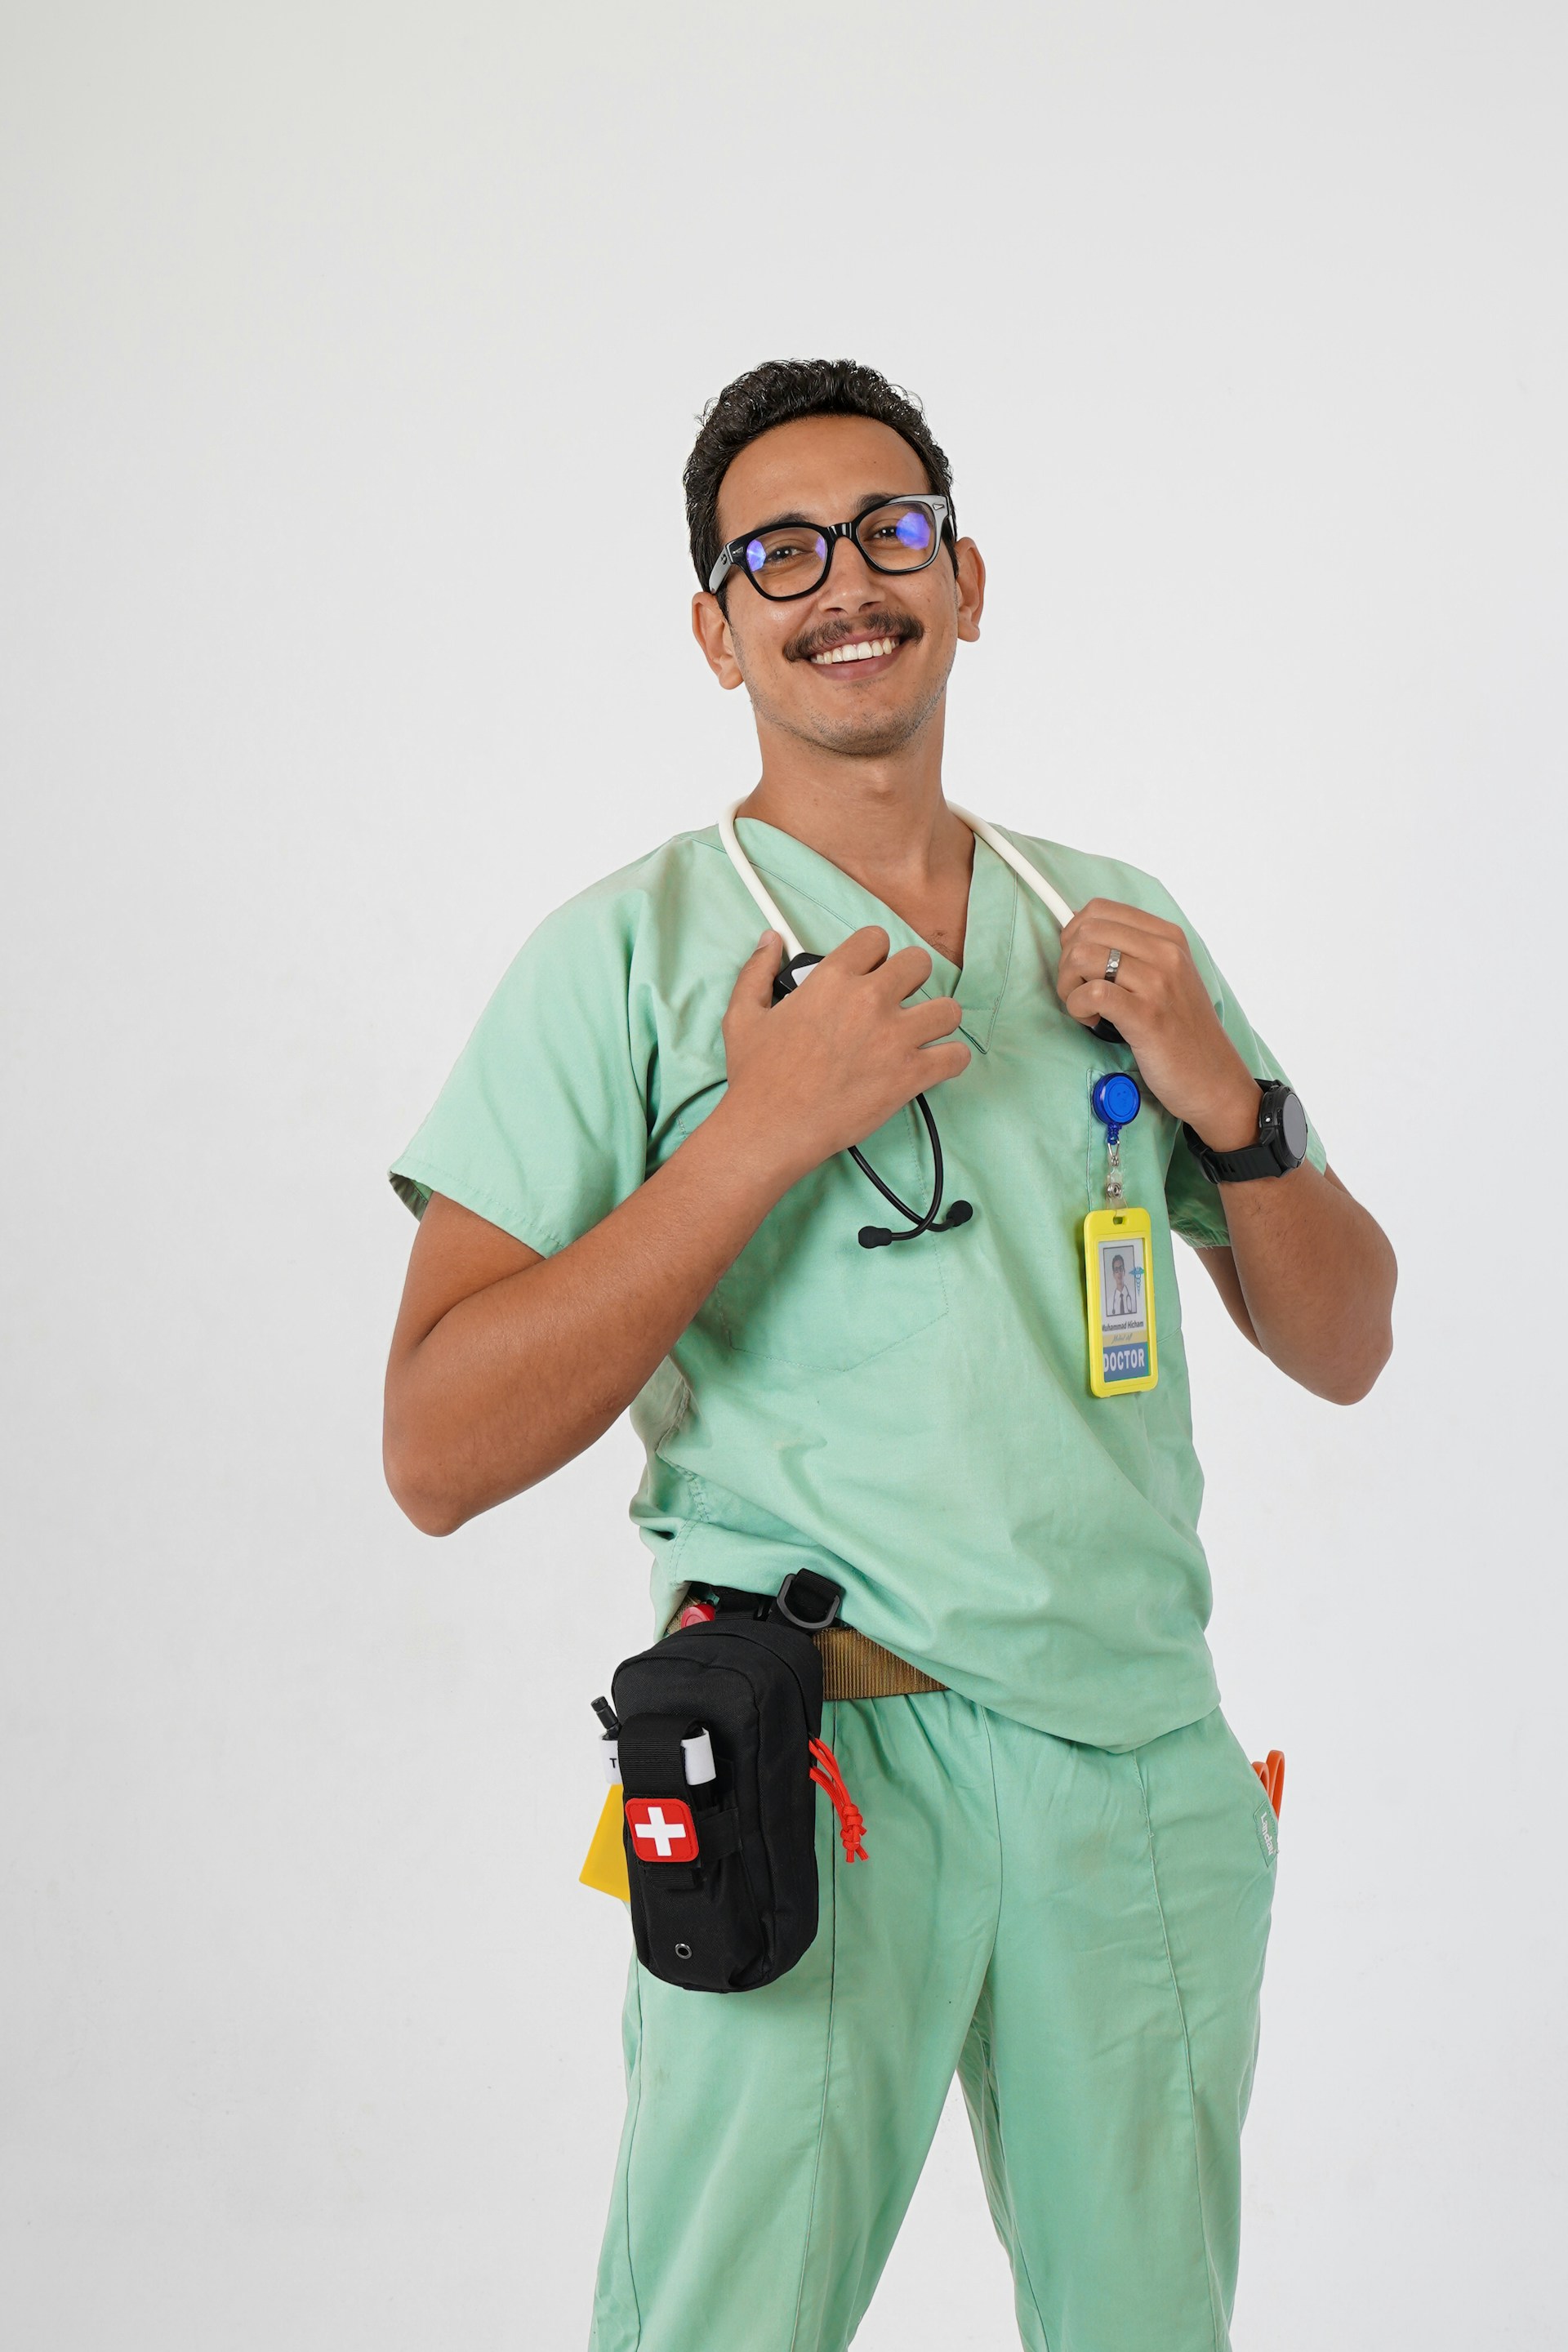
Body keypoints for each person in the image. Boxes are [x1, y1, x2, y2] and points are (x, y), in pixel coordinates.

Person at [382, 358, 1396, 2352]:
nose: (841, 581)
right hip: (815, 1760)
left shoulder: (1107, 928)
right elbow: (433, 1444)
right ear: (714, 627)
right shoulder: (632, 952)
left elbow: (1344, 1339)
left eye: (889, 530)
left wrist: (1225, 1101)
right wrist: (758, 1128)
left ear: (966, 577)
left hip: (1134, 1756)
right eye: (777, 551)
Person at [1105, 1249, 1139, 1320]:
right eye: (1116, 1270)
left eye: (1121, 1269)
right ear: (1114, 1274)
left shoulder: (1134, 1297)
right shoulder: (1109, 1303)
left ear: (1124, 1271)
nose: (1119, 1273)